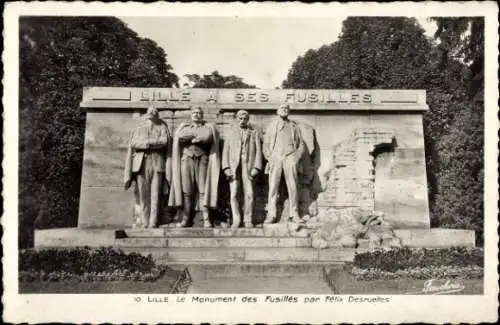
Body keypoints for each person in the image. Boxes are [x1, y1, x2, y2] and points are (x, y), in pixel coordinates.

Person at [168, 106, 220, 228]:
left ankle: (206, 218)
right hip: (186, 159)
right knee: (187, 190)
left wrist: (194, 138)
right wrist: (193, 136)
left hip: (202, 159)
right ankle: (185, 218)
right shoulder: (184, 127)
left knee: (203, 189)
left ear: (202, 115)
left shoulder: (208, 127)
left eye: (199, 113)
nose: (196, 115)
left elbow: (207, 137)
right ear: (191, 115)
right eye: (194, 113)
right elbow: (180, 137)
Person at [124, 106, 171, 228]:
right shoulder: (139, 129)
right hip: (141, 164)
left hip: (157, 163)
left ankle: (153, 221)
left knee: (155, 195)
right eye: (149, 111)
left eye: (154, 111)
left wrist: (148, 143)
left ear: (157, 115)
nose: (151, 112)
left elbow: (164, 141)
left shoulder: (162, 127)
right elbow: (133, 143)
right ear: (146, 114)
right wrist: (148, 144)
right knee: (143, 195)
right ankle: (145, 221)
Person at [262, 103, 305, 224]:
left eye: (286, 109)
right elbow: (265, 145)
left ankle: (294, 213)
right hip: (275, 156)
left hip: (290, 155)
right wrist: (269, 157)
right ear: (277, 111)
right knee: (273, 187)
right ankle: (271, 214)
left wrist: (296, 157)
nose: (284, 110)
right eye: (282, 108)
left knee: (293, 186)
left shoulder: (294, 127)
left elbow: (301, 145)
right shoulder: (272, 126)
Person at [222, 110, 262, 228]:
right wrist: (226, 168)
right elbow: (225, 151)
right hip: (234, 167)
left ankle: (248, 219)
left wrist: (256, 167)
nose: (242, 120)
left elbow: (259, 151)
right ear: (236, 119)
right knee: (234, 194)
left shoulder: (253, 133)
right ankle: (236, 219)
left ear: (248, 119)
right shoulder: (230, 133)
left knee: (249, 193)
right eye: (240, 118)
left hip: (248, 166)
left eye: (245, 118)